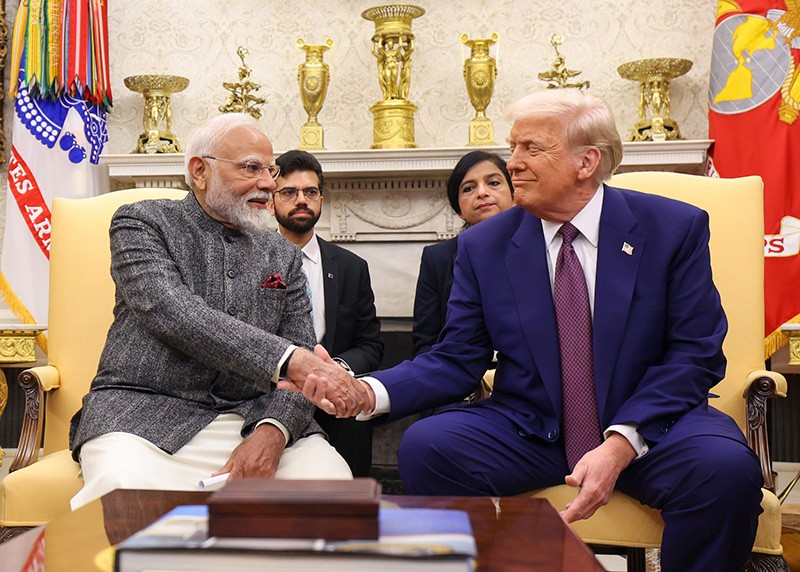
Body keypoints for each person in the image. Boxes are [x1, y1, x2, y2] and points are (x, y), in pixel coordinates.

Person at [281, 90, 764, 572]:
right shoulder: (484, 245)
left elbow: (695, 354)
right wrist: (366, 391)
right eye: (513, 148)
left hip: (653, 427)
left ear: (587, 161)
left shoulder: (671, 228)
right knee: (429, 447)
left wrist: (619, 445)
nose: (513, 164)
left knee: (724, 473)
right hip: (534, 430)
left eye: (532, 149)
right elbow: (455, 357)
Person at [68, 113, 367, 509]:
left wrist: (273, 432)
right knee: (130, 496)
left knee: (331, 488)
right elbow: (172, 311)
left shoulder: (283, 255)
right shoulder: (142, 222)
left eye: (270, 169)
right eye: (251, 168)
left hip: (252, 417)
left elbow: (302, 351)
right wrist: (290, 360)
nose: (267, 182)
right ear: (200, 170)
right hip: (142, 415)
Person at [269, 149, 383, 477]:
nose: (301, 199)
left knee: (358, 417)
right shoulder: (253, 261)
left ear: (322, 198)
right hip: (273, 394)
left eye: (311, 192)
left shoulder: (351, 268)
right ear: (271, 199)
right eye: (289, 192)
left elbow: (371, 346)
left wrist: (336, 371)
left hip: (336, 401)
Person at [412, 150, 514, 357]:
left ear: (514, 195)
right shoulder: (437, 259)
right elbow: (425, 343)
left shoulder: (540, 247)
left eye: (493, 183)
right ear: (459, 209)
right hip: (461, 379)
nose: (482, 193)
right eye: (468, 188)